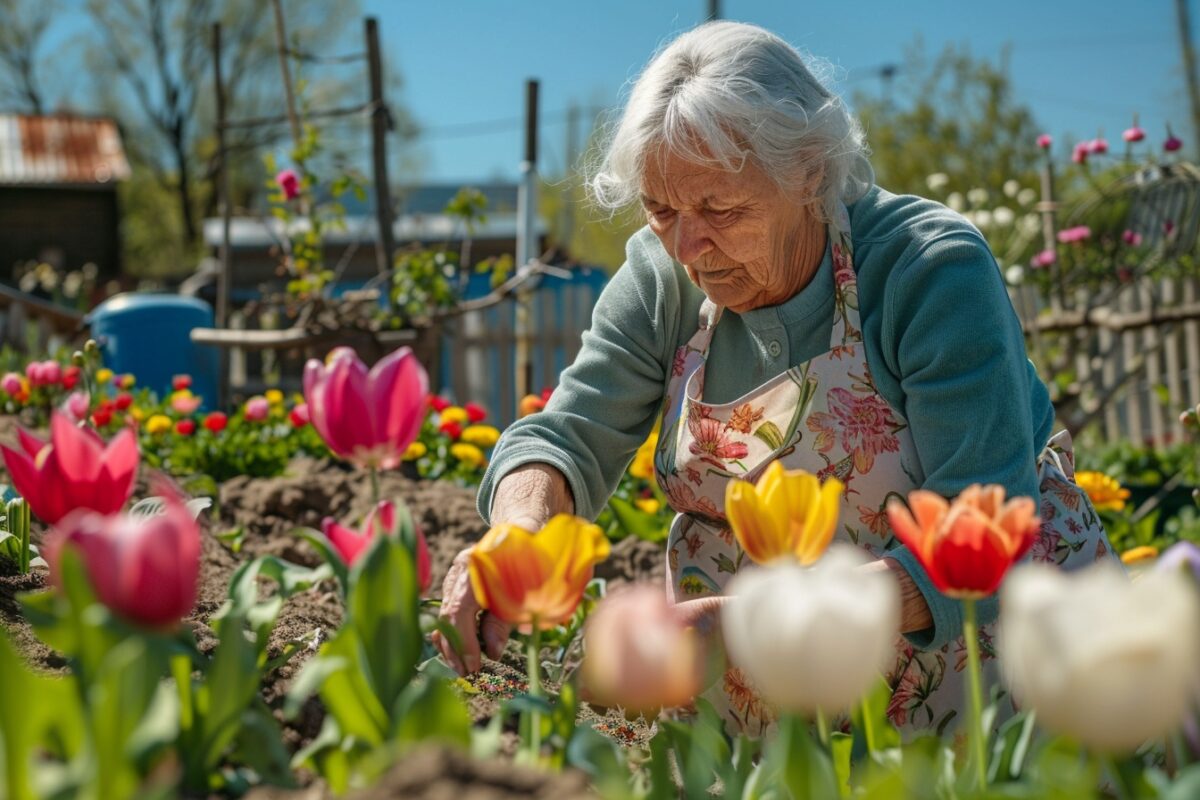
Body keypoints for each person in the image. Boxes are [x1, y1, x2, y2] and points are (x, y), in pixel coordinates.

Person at [433, 20, 1116, 736]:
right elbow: (568, 433)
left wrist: (765, 624)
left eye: (720, 209)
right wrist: (518, 529)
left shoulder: (926, 271)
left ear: (811, 171)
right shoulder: (662, 281)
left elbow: (980, 524)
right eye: (661, 209)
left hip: (985, 671)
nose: (689, 247)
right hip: (773, 707)